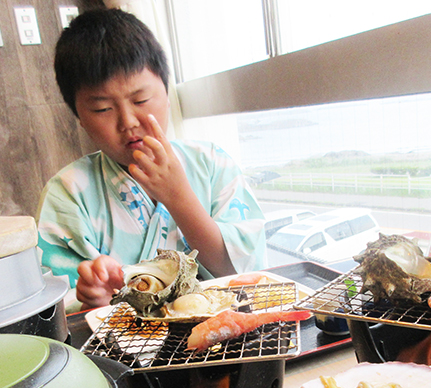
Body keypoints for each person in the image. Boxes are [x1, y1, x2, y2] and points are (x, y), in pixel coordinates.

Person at [37, 8, 265, 309]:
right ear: (79, 117)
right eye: (102, 109)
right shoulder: (68, 192)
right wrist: (94, 298)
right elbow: (58, 305)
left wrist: (178, 197)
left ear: (167, 93)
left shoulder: (212, 163)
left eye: (141, 100)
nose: (128, 121)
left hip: (225, 341)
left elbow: (244, 272)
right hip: (121, 353)